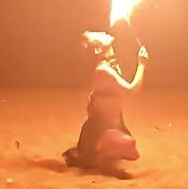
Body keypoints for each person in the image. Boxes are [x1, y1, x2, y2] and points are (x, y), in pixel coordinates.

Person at [62, 30, 148, 173]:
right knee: (128, 144)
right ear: (98, 49)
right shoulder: (102, 71)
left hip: (114, 125)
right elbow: (132, 89)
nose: (102, 31)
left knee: (131, 149)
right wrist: (142, 64)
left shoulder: (110, 66)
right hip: (99, 129)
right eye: (97, 34)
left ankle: (103, 149)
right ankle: (97, 152)